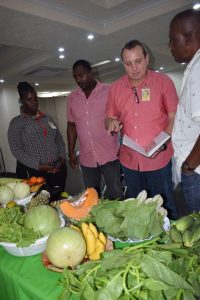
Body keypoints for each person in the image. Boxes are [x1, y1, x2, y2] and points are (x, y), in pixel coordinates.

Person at [105, 40, 178, 219]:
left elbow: (173, 117)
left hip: (158, 159)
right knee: (136, 210)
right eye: (128, 63)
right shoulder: (115, 88)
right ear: (123, 64)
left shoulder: (163, 82)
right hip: (130, 161)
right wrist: (111, 123)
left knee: (164, 207)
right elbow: (109, 118)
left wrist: (163, 139)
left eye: (138, 61)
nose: (134, 68)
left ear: (147, 58)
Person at [67, 59, 124, 199]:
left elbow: (121, 118)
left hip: (109, 155)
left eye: (82, 75)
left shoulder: (109, 91)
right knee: (91, 197)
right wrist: (71, 152)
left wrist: (124, 146)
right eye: (75, 76)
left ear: (91, 73)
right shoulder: (72, 98)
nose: (78, 79)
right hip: (86, 157)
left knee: (116, 194)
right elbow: (71, 125)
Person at [8, 82, 67, 190]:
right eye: (29, 99)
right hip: (36, 173)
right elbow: (17, 150)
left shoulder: (47, 118)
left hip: (58, 169)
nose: (34, 102)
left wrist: (62, 158)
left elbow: (58, 139)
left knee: (60, 199)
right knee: (41, 203)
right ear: (21, 101)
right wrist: (39, 166)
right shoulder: (16, 123)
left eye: (35, 98)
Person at [169, 9, 200, 213]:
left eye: (173, 39)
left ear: (189, 37)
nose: (170, 46)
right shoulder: (194, 66)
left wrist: (188, 168)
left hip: (196, 172)